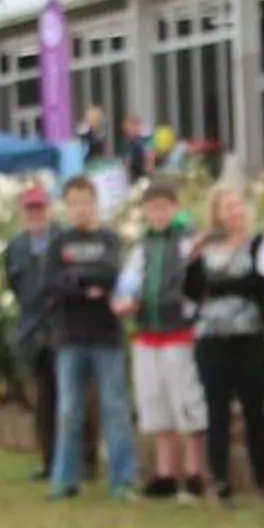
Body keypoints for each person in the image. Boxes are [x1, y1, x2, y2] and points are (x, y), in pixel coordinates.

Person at [185, 184, 264, 504]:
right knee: (218, 410)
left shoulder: (258, 245)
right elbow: (192, 290)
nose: (235, 212)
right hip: (212, 338)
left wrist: (222, 285)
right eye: (228, 207)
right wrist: (192, 258)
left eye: (239, 205)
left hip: (249, 335)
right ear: (217, 213)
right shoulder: (205, 249)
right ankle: (222, 480)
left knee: (256, 410)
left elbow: (258, 281)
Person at [116, 179, 208, 500]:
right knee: (154, 402)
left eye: (164, 207)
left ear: (175, 208)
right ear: (144, 212)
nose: (158, 213)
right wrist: (124, 301)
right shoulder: (141, 247)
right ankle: (165, 472)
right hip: (147, 332)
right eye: (152, 208)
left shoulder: (186, 241)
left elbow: (197, 280)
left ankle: (195, 471)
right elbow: (128, 282)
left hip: (179, 330)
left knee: (186, 399)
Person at [47, 176, 138, 501]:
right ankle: (64, 479)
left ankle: (122, 480)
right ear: (66, 206)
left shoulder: (110, 239)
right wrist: (87, 287)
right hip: (70, 337)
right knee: (70, 410)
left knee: (115, 407)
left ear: (95, 203)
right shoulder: (58, 243)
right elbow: (55, 285)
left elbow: (112, 274)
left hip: (107, 336)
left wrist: (80, 281)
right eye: (73, 203)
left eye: (85, 201)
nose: (80, 209)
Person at [3, 182, 62, 480]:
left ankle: (82, 460)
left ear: (49, 209)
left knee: (75, 399)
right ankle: (50, 460)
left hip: (63, 328)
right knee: (44, 402)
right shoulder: (15, 248)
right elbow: (14, 285)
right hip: (32, 332)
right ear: (22, 212)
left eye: (40, 207)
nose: (36, 214)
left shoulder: (64, 239)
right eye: (30, 209)